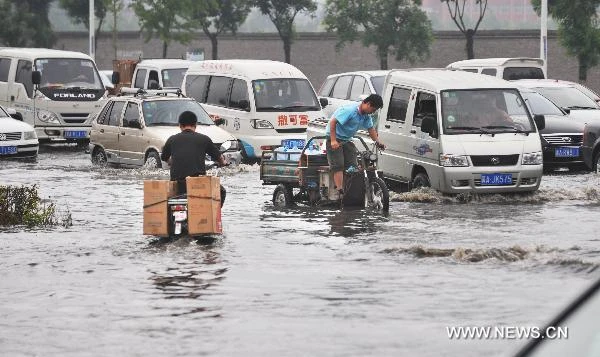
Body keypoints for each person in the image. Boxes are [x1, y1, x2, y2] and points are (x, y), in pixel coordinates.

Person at [161, 111, 227, 204]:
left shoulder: (172, 139)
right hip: (197, 184)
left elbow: (164, 157)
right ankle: (212, 216)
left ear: (180, 125)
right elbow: (219, 157)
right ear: (195, 125)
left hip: (177, 184)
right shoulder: (204, 139)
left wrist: (170, 161)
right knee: (222, 191)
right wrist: (222, 163)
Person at [326, 94, 386, 198]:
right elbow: (333, 122)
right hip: (335, 137)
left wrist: (378, 142)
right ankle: (340, 191)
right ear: (367, 104)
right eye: (373, 109)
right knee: (338, 165)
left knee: (353, 166)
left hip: (347, 140)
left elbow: (371, 129)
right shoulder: (350, 110)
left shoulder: (366, 116)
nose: (373, 112)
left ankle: (350, 189)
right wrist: (333, 140)